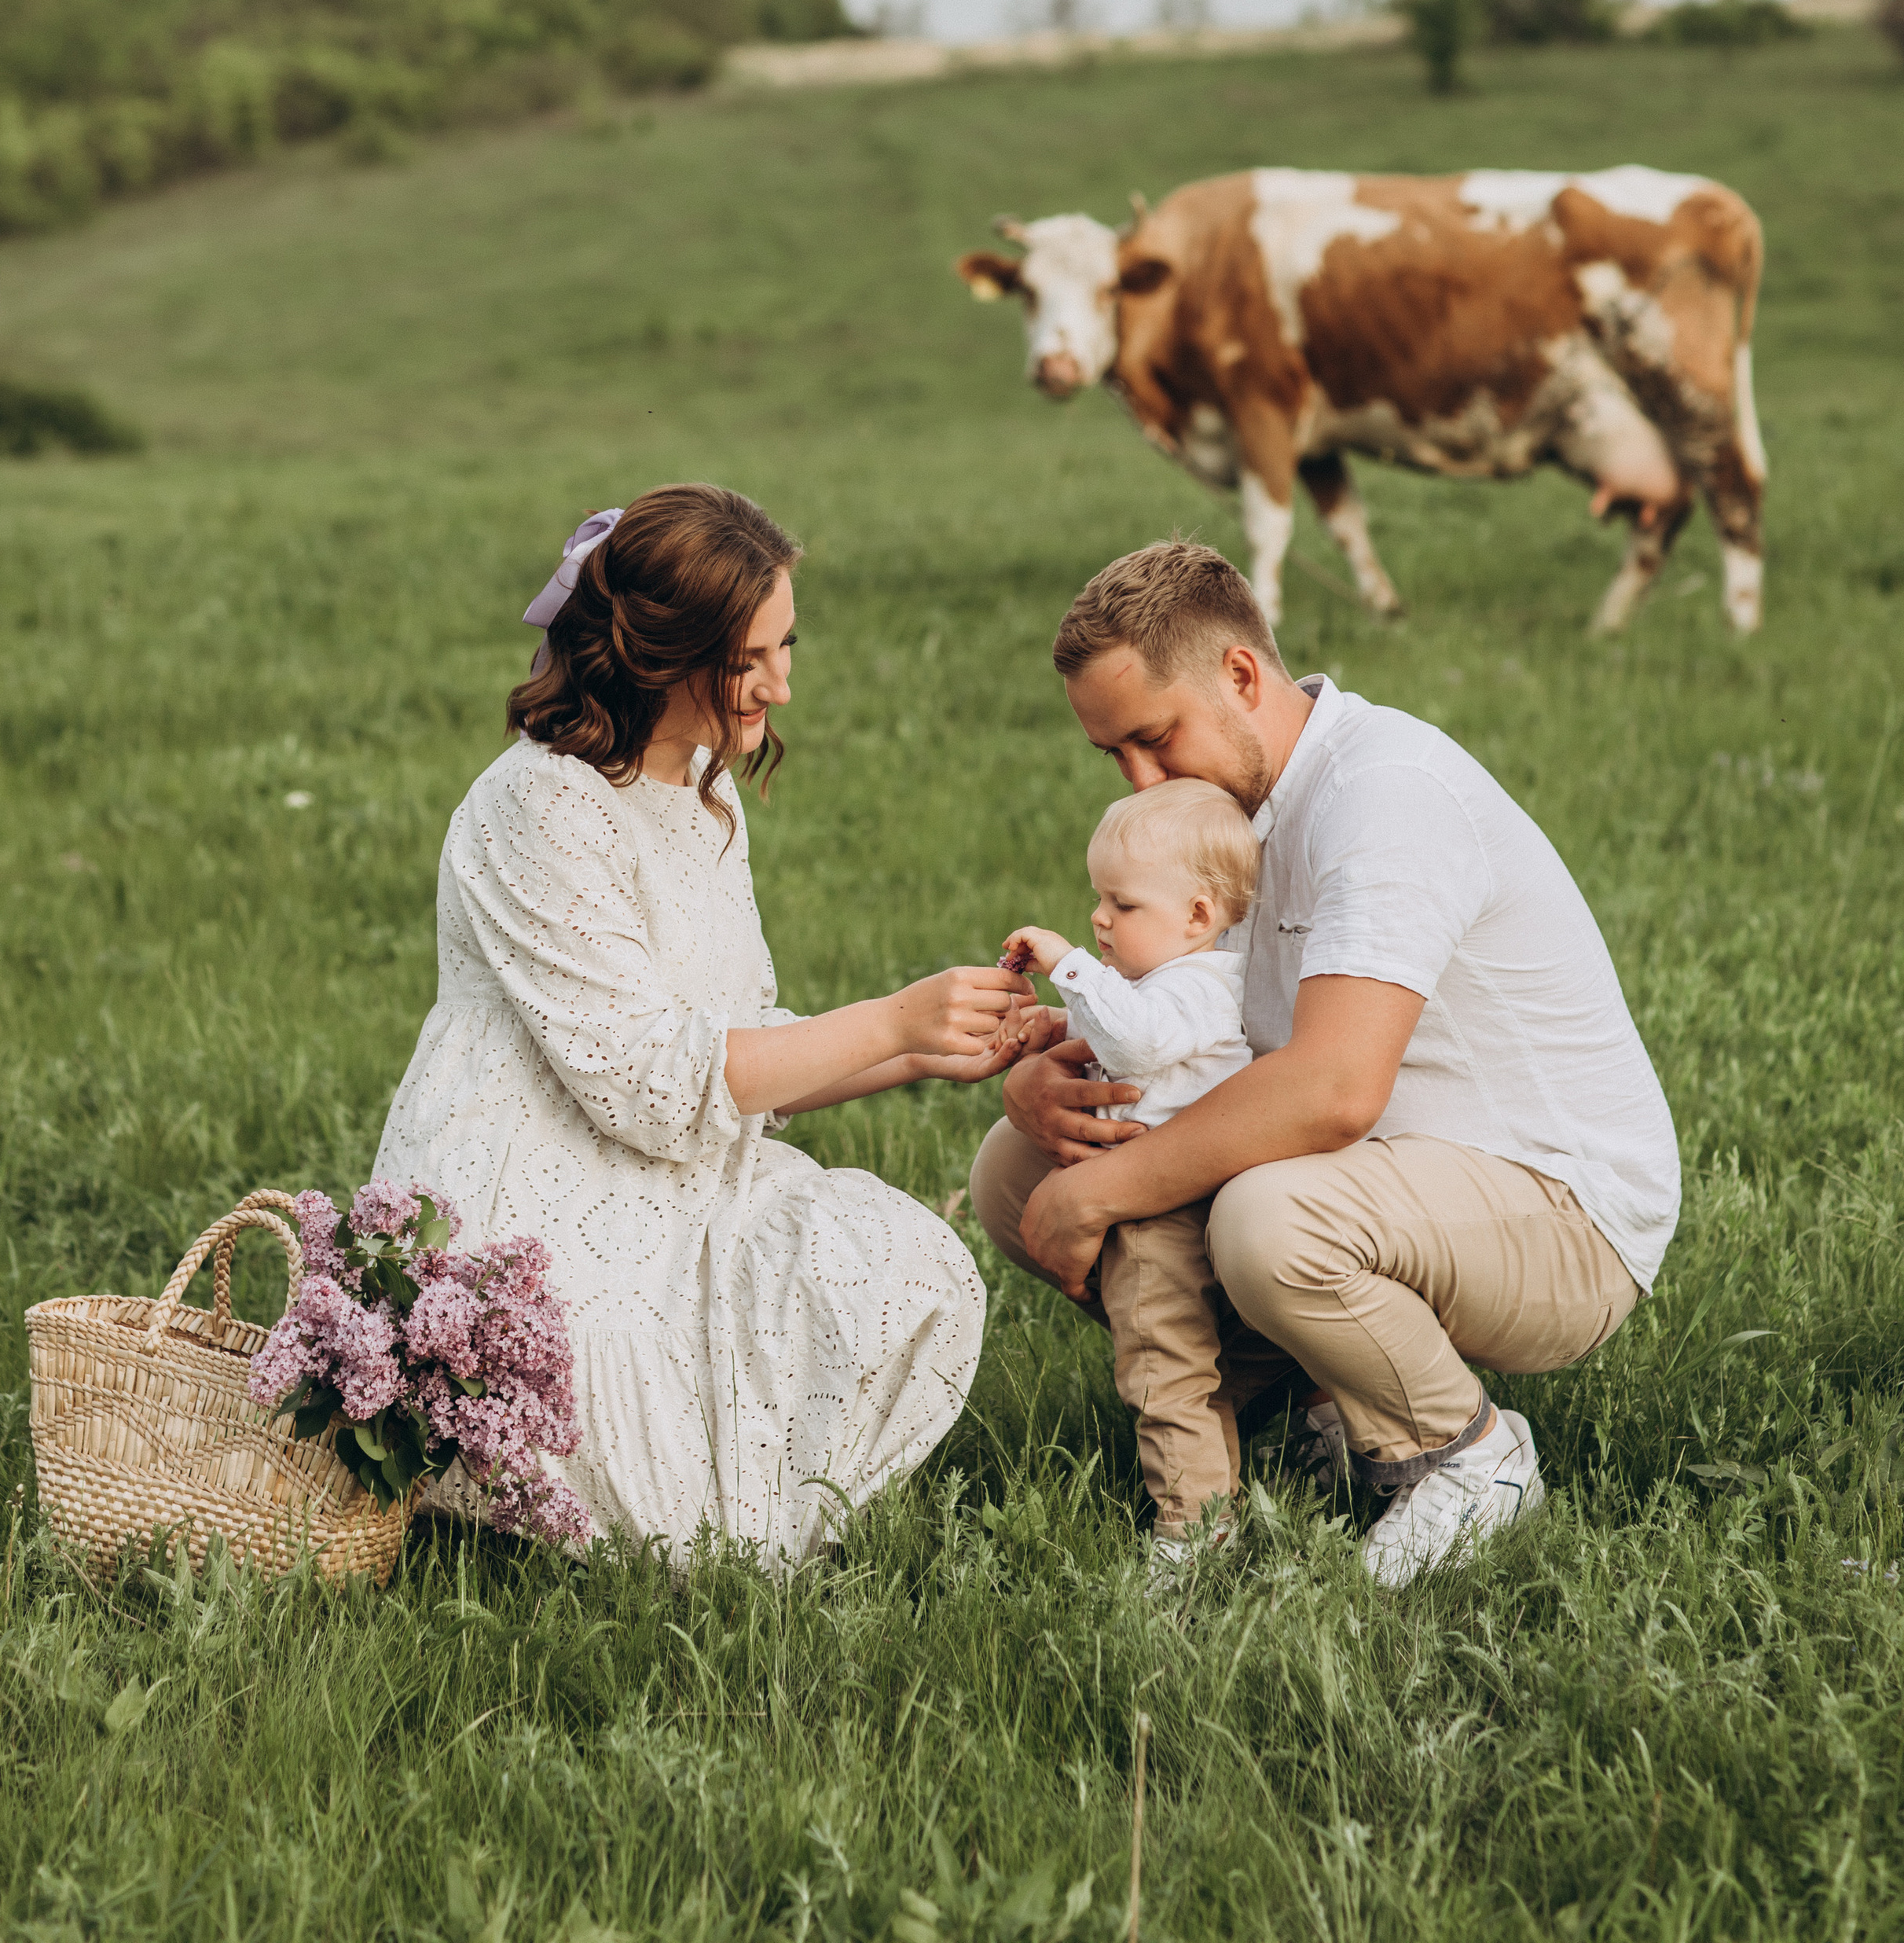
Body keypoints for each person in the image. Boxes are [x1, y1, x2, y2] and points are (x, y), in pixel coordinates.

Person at [969, 538, 1681, 1588]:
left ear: (1242, 678)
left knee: (1268, 1220)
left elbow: (1332, 1090)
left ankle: (1466, 1458)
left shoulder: (1383, 795)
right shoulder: (1235, 816)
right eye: (1114, 756)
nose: (1140, 781)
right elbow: (1199, 1028)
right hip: (1398, 1182)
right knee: (1017, 1172)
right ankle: (1322, 1404)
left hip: (1559, 1208)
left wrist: (1110, 1189)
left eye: (1155, 740)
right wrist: (1048, 1082)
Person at [376, 484, 1029, 1565]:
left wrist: (930, 1044)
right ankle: (658, 1535)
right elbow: (646, 1083)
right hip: (531, 1190)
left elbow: (741, 1045)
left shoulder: (705, 797)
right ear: (658, 654)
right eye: (751, 659)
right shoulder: (537, 805)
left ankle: (757, 1553)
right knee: (639, 1424)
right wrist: (891, 1021)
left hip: (683, 1173)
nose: (784, 682)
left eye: (787, 646)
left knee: (906, 1265)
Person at [996, 779, 1257, 1562]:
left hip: (1162, 1218)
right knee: (1189, 1358)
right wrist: (1053, 1023)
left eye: (1122, 904)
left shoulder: (1201, 987)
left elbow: (1139, 1043)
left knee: (1162, 1366)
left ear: (1199, 916)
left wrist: (1069, 966)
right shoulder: (1168, 982)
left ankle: (1195, 1531)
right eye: (1096, 900)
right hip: (1162, 1198)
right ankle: (1239, 1464)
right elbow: (1123, 1028)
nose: (1099, 919)